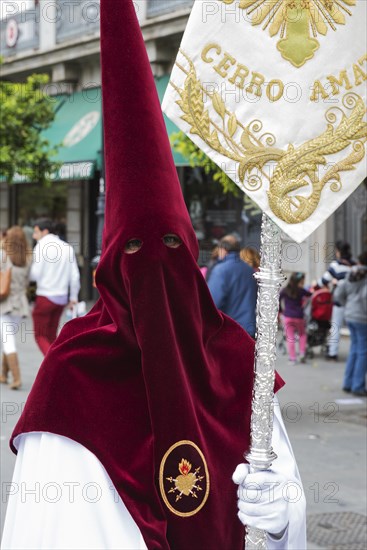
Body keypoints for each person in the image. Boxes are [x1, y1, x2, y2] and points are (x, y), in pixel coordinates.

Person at [1, 1, 306, 548]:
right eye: (134, 248)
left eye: (170, 243)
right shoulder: (71, 376)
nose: (154, 266)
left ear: (190, 254)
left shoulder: (236, 361)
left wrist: (282, 512)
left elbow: (281, 510)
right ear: (110, 270)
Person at [30, 218, 80, 355]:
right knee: (51, 336)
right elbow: (75, 276)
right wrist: (73, 297)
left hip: (45, 296)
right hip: (62, 298)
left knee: (40, 335)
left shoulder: (41, 246)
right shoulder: (67, 247)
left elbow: (35, 274)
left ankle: (54, 364)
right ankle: (57, 367)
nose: (34, 236)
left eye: (36, 232)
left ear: (44, 231)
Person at [207, 235, 258, 337]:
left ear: (223, 249)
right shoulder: (249, 269)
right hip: (249, 330)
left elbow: (211, 305)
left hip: (229, 331)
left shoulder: (220, 270)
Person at [0, 226, 31, 389]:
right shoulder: (27, 259)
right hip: (21, 305)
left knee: (8, 340)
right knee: (8, 336)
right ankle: (4, 374)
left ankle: (17, 378)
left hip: (5, 303)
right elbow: (28, 282)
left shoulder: (3, 256)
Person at [334, 251, 367, 396]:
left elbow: (338, 293)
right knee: (363, 352)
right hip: (362, 317)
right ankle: (358, 386)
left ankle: (348, 383)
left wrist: (345, 304)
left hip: (350, 315)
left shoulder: (350, 274)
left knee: (354, 349)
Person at [318, 240, 354, 360]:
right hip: (352, 302)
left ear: (338, 252)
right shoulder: (353, 265)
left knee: (336, 327)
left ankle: (332, 353)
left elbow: (323, 281)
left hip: (339, 302)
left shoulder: (336, 265)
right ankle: (356, 352)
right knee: (353, 328)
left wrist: (335, 282)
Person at [280, 272, 312, 364]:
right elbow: (310, 294)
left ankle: (292, 358)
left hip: (288, 316)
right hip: (299, 317)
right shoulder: (301, 290)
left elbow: (278, 300)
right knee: (302, 334)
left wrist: (281, 311)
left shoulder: (285, 290)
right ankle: (302, 354)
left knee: (290, 337)